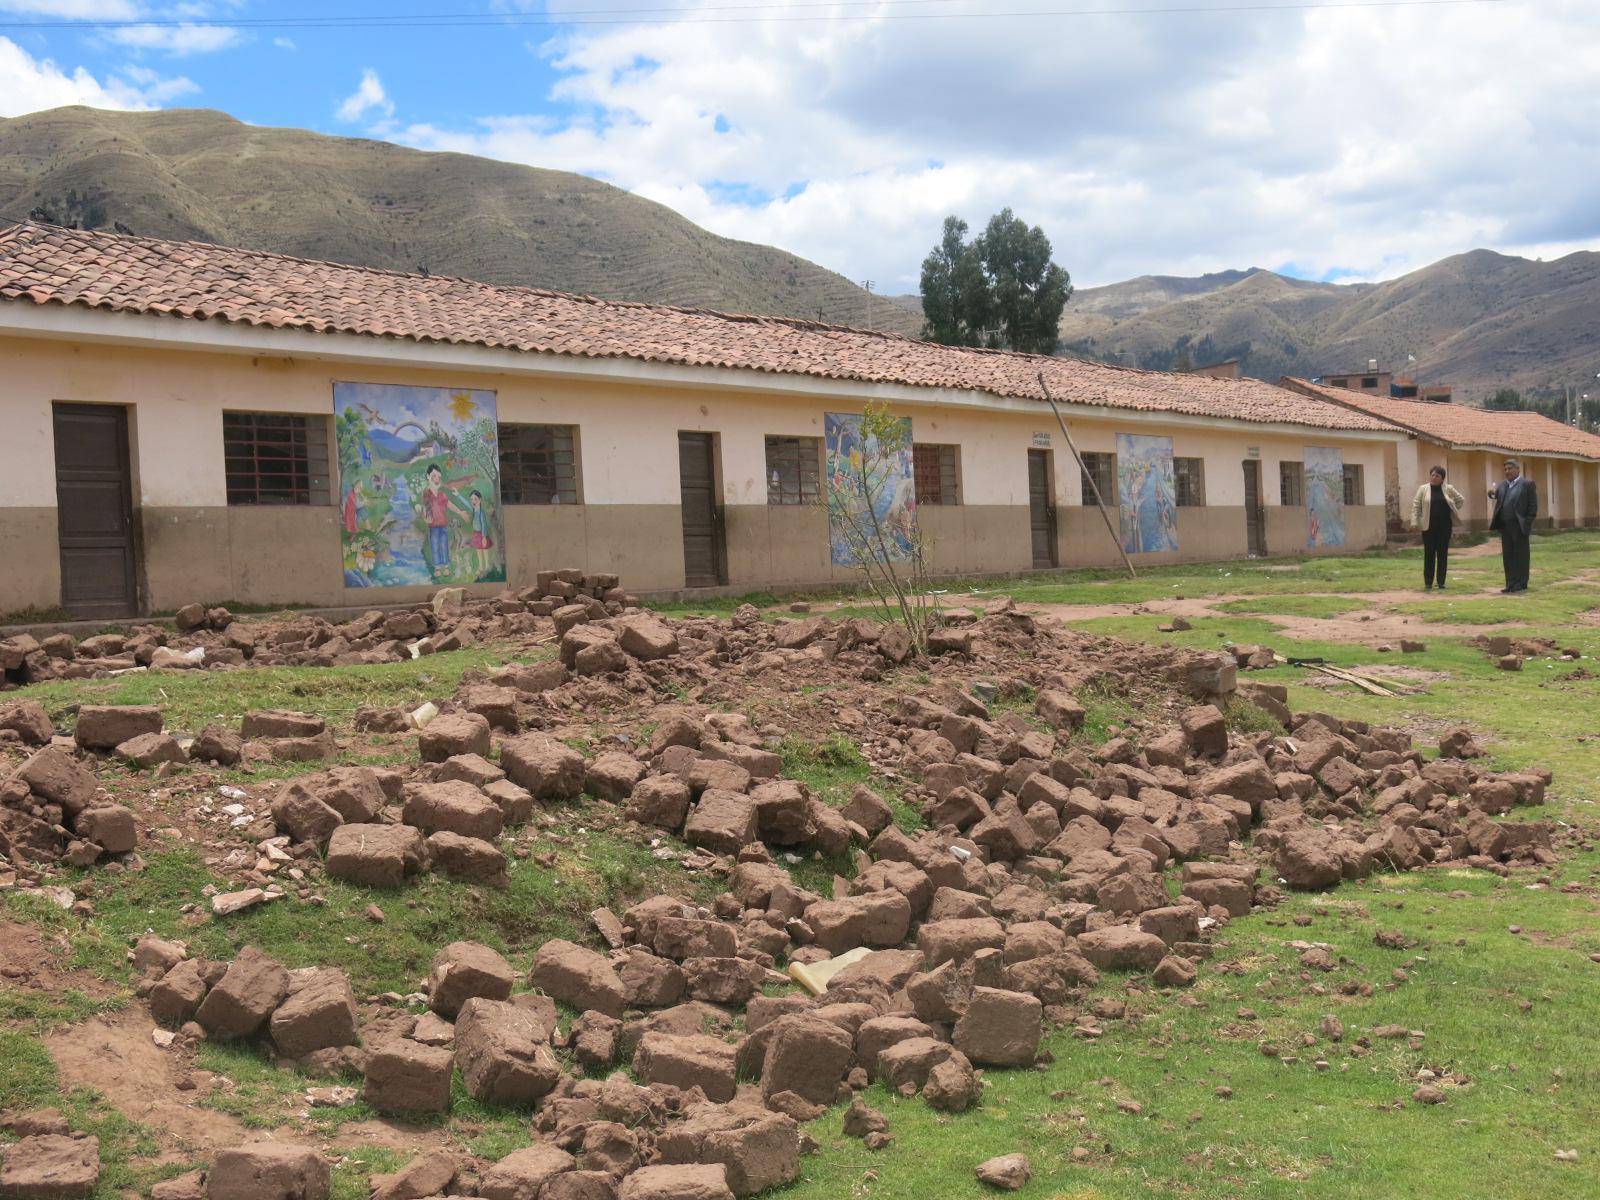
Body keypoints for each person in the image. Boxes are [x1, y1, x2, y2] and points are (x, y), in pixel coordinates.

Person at [1409, 466, 1465, 589]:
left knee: (1442, 554)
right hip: (1428, 527)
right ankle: (1428, 582)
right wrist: (1414, 521)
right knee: (1429, 553)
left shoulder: (1448, 489)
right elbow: (1416, 505)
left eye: (1437, 476)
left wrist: (1453, 509)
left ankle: (1441, 582)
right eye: (1432, 475)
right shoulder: (1423, 489)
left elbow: (1461, 500)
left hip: (1444, 527)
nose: (1434, 478)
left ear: (1442, 479)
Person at [1488, 458, 1538, 593]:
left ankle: (1521, 583)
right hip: (1505, 526)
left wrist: (1527, 522)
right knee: (1508, 556)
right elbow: (1496, 495)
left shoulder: (1527, 484)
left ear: (1518, 469)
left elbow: (1532, 506)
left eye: (1510, 468)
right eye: (1505, 469)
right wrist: (1491, 492)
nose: (1507, 471)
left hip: (1519, 525)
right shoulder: (1503, 485)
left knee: (1520, 556)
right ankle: (1510, 583)